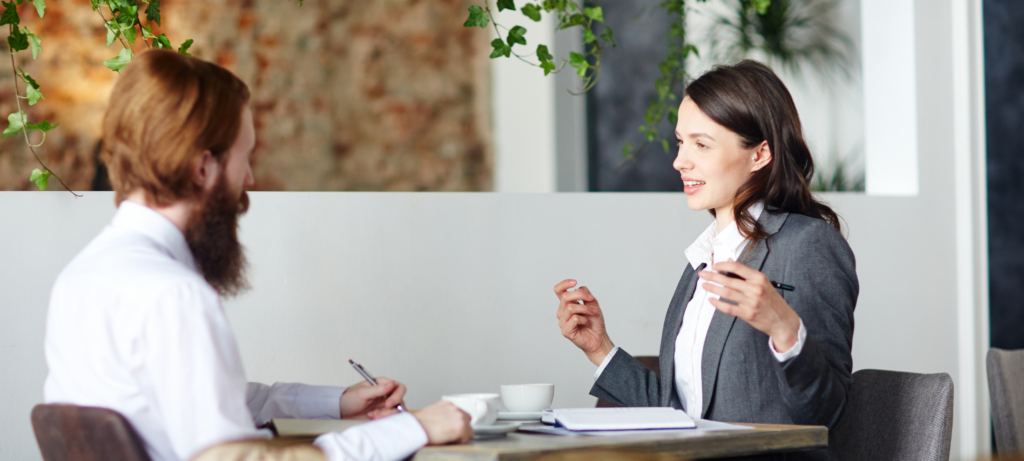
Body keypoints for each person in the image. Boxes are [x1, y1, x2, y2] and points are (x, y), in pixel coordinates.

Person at [43, 49, 472, 461]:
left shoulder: (82, 278)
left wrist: (338, 403)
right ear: (202, 167)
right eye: (243, 158)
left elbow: (206, 403)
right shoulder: (173, 296)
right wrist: (413, 429)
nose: (249, 179)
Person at [553, 60, 857, 461]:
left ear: (760, 153)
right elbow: (679, 414)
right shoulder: (704, 258)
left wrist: (784, 329)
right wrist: (600, 348)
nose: (680, 161)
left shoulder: (809, 245)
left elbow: (829, 412)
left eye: (701, 144)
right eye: (680, 142)